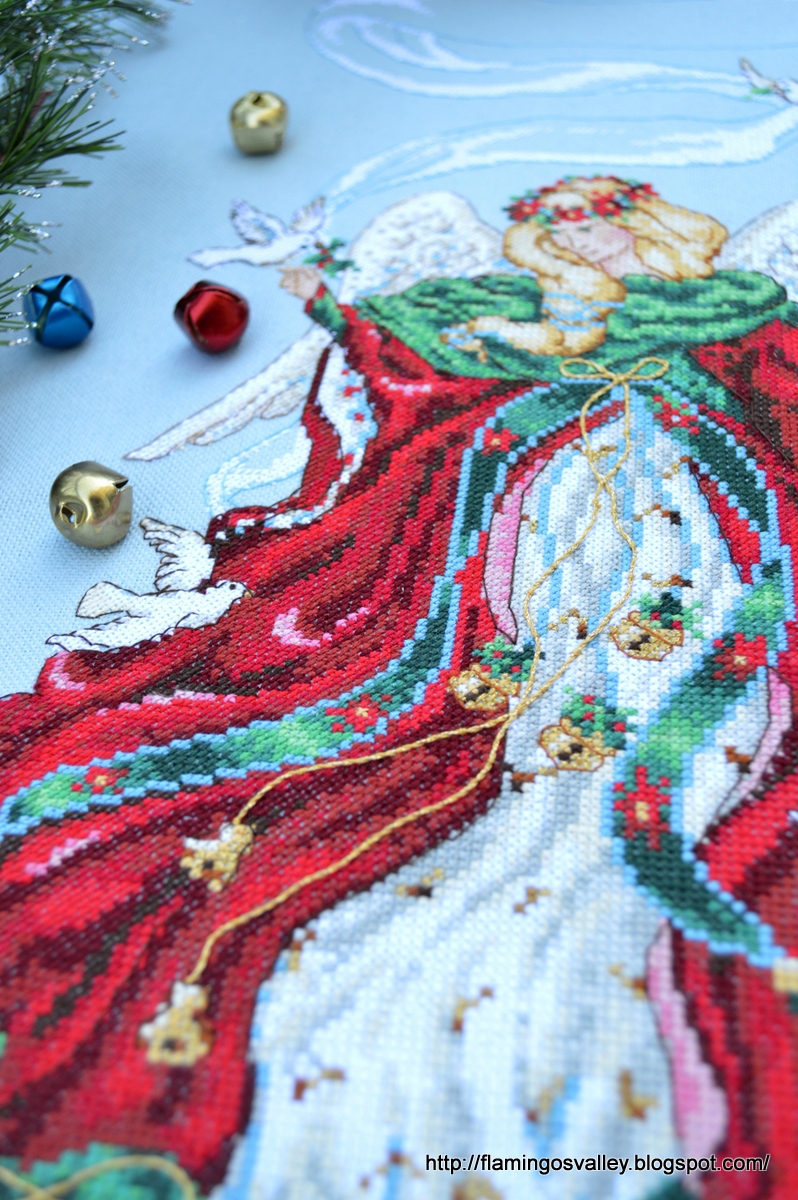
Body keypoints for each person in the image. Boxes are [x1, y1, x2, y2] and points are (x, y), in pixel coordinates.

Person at [0, 177, 796, 1197]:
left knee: (677, 631)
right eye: (568, 228)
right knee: (479, 643)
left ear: (650, 229)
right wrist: (336, 307)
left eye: (610, 223)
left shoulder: (731, 306)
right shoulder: (510, 309)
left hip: (694, 495)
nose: (593, 242)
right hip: (532, 493)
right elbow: (411, 360)